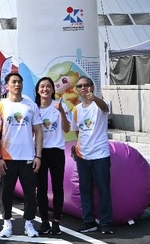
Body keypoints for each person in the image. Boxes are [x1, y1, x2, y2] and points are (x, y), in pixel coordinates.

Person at [0, 72, 42, 238]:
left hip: (28, 156)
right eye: (14, 82)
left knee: (30, 192)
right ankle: (7, 223)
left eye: (19, 82)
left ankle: (29, 223)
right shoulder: (0, 106)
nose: (17, 85)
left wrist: (38, 156)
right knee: (6, 192)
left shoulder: (30, 105)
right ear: (7, 86)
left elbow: (38, 131)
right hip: (7, 158)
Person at [71, 77, 113, 234]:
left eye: (86, 85)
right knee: (85, 189)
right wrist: (78, 147)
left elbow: (105, 109)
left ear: (92, 87)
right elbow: (77, 130)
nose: (84, 88)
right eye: (80, 86)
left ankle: (106, 222)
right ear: (77, 89)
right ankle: (88, 221)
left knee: (103, 189)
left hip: (100, 154)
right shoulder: (76, 109)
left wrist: (94, 98)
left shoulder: (100, 104)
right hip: (83, 155)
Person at [35, 77, 70, 235]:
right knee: (41, 188)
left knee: (57, 188)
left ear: (53, 90)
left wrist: (62, 111)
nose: (45, 89)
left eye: (48, 86)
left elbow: (67, 129)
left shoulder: (59, 107)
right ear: (37, 90)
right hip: (39, 152)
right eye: (42, 86)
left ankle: (56, 221)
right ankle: (44, 221)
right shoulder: (34, 108)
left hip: (56, 150)